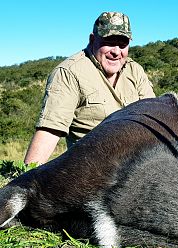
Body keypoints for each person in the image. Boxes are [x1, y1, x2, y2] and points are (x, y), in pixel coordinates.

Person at [24, 11, 155, 165]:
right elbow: (50, 130)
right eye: (109, 42)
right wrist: (23, 179)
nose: (116, 52)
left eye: (122, 44)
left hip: (138, 165)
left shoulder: (135, 71)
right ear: (92, 40)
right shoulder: (69, 72)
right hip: (92, 170)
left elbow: (153, 119)